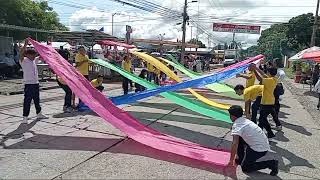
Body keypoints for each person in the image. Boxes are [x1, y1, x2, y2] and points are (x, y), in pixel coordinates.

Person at [228, 105, 279, 176]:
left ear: (233, 116)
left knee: (246, 168)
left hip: (259, 150)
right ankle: (241, 159)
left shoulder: (237, 125)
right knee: (239, 138)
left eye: (230, 115)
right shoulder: (245, 120)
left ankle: (271, 163)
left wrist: (231, 161)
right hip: (262, 143)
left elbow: (234, 144)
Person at [19, 39, 48, 123]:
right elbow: (21, 54)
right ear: (27, 55)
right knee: (27, 101)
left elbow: (42, 56)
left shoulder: (34, 61)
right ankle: (25, 117)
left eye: (34, 55)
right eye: (32, 55)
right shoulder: (23, 61)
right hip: (28, 84)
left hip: (36, 83)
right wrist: (25, 44)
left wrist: (42, 47)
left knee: (37, 100)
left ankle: (39, 113)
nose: (33, 56)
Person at [251, 65, 282, 138]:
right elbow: (264, 75)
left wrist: (254, 70)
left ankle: (270, 133)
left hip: (266, 102)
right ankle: (261, 131)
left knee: (262, 119)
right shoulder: (274, 79)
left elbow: (260, 78)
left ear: (269, 72)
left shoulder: (270, 81)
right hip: (270, 101)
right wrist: (256, 68)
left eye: (267, 72)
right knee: (263, 118)